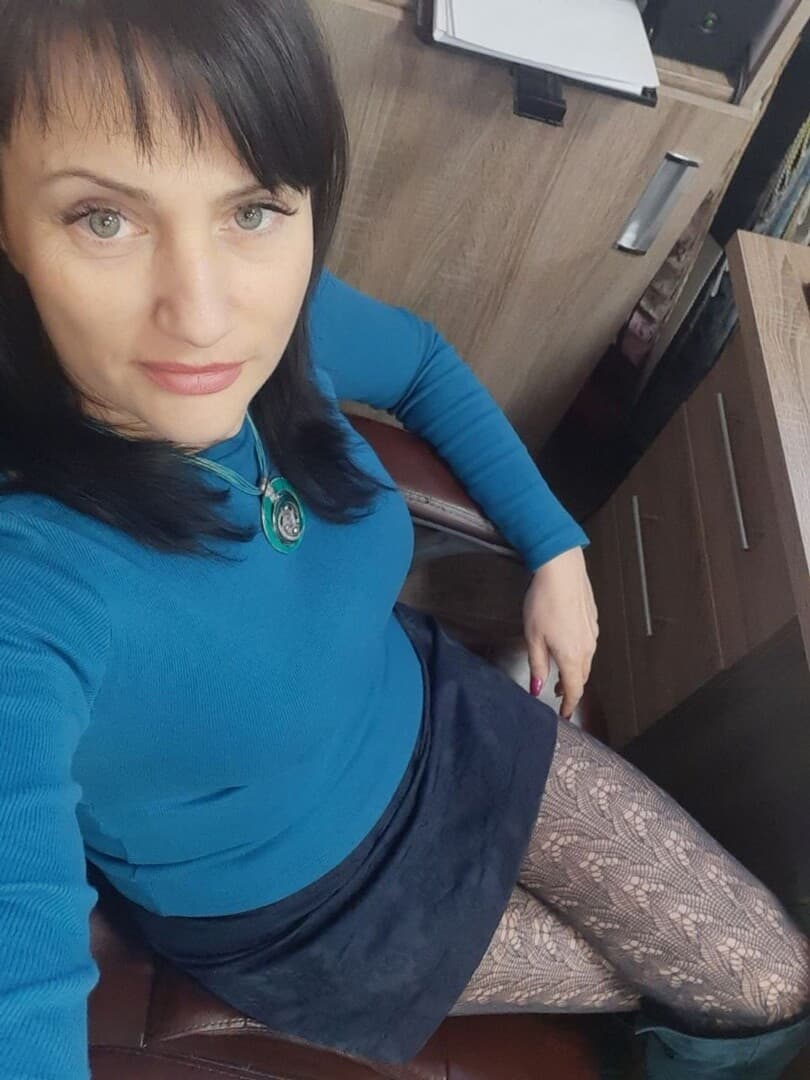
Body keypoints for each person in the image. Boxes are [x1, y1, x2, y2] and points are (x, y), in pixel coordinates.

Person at [0, 2, 806, 1078]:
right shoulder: (27, 583)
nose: (200, 314)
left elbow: (421, 362)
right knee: (686, 984)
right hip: (309, 909)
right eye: (103, 217)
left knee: (772, 977)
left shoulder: (274, 319)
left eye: (252, 208)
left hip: (437, 720)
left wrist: (556, 547)